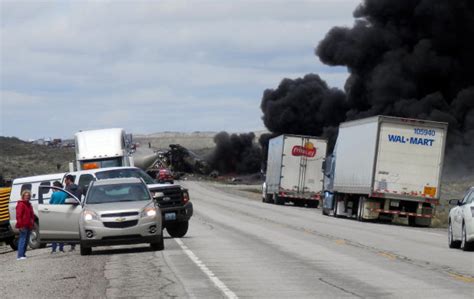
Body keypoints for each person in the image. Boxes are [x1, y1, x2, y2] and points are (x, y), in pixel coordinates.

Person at [64, 175, 82, 251]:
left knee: (70, 227)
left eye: (65, 180)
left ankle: (72, 245)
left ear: (68, 180)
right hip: (78, 208)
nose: (65, 182)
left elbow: (65, 199)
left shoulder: (67, 189)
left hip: (69, 209)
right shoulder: (79, 187)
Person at [15, 190, 34, 260]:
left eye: (28, 196)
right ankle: (19, 256)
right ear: (23, 196)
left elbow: (31, 215)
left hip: (28, 225)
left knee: (26, 240)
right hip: (23, 225)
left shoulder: (29, 204)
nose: (27, 197)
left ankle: (23, 254)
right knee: (22, 239)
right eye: (26, 196)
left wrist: (32, 223)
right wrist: (20, 225)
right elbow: (18, 216)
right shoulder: (21, 204)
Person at [50, 181, 67, 253]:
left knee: (53, 232)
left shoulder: (54, 194)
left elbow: (50, 203)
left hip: (54, 213)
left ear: (55, 187)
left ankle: (54, 249)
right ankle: (61, 248)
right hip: (62, 213)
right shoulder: (65, 193)